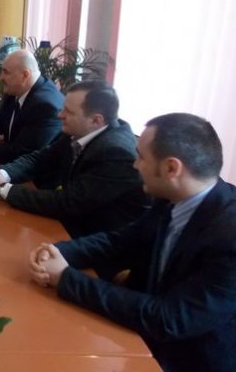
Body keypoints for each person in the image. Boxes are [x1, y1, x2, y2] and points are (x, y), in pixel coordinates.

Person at [29, 113, 236, 371]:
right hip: (139, 336)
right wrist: (59, 252)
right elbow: (120, 242)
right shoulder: (172, 196)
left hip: (184, 360)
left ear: (171, 168)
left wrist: (65, 278)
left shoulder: (229, 236)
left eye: (141, 157)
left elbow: (168, 319)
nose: (135, 165)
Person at [0, 80, 148, 243]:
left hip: (97, 240)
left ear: (96, 120)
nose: (60, 115)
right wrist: (2, 174)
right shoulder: (81, 129)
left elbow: (68, 203)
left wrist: (3, 188)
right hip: (72, 223)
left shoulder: (116, 153)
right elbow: (41, 159)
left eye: (68, 111)